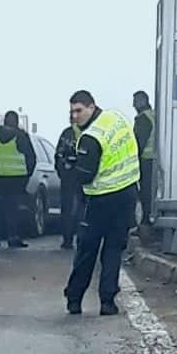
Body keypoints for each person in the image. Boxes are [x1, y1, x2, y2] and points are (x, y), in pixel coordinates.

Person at [63, 90, 140, 316]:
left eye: (78, 110)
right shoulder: (116, 118)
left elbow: (85, 175)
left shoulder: (90, 137)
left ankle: (74, 298)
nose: (75, 116)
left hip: (100, 199)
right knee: (113, 249)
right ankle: (108, 301)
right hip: (127, 193)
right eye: (72, 112)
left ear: (91, 106)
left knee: (87, 249)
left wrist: (72, 166)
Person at [0, 111, 36, 249]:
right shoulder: (21, 136)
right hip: (16, 179)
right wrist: (27, 175)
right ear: (16, 122)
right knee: (13, 209)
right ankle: (13, 237)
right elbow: (31, 157)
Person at [55, 113, 85, 249]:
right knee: (83, 208)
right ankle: (81, 238)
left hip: (69, 176)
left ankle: (67, 239)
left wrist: (62, 172)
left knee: (68, 208)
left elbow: (58, 155)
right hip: (85, 176)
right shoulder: (89, 133)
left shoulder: (67, 134)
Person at [133, 91, 155, 229]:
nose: (133, 105)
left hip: (145, 161)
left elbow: (138, 143)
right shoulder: (155, 115)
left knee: (145, 193)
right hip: (155, 160)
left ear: (141, 102)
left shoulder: (143, 119)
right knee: (151, 192)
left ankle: (145, 222)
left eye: (135, 102)